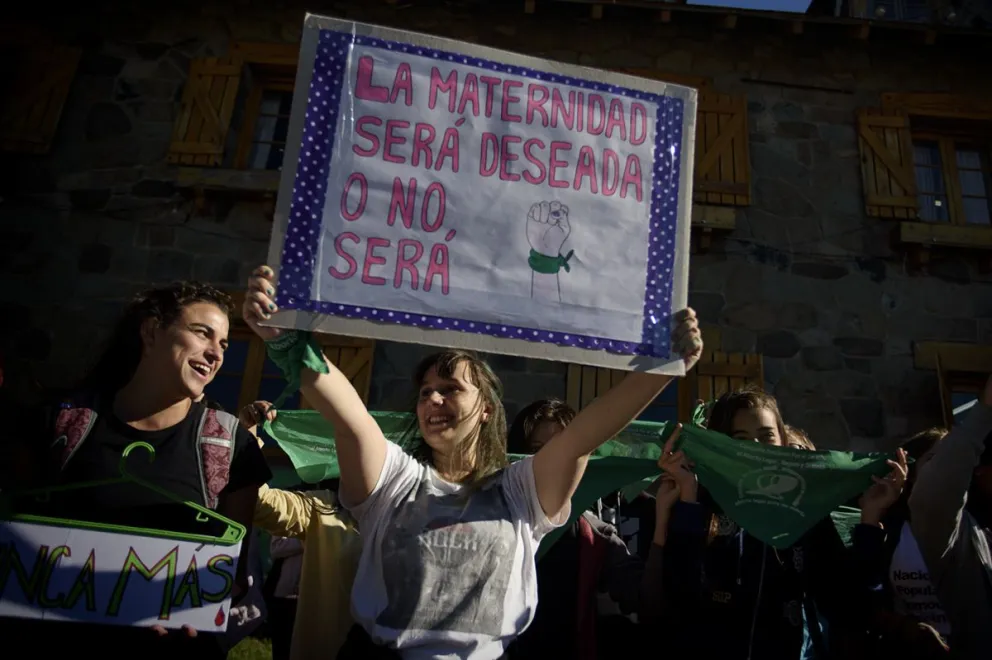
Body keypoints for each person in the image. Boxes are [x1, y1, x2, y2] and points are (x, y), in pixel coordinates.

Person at [243, 264, 702, 659]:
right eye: (425, 392)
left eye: (451, 388)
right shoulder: (394, 480)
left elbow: (583, 436)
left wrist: (664, 366)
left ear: (486, 409)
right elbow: (350, 419)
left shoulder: (521, 490)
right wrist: (286, 340)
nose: (433, 399)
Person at [0, 282, 272, 659]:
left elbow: (233, 575)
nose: (215, 353)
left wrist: (197, 611)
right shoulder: (60, 424)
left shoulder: (231, 447)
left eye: (224, 344)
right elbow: (14, 535)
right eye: (202, 333)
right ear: (150, 331)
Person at [642, 387, 865, 660]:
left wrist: (872, 522)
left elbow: (844, 599)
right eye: (741, 439)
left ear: (782, 441)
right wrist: (689, 498)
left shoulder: (802, 512)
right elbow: (678, 593)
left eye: (766, 436)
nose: (757, 448)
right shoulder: (696, 503)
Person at [504, 399, 642, 660]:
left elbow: (646, 599)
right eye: (536, 451)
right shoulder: (485, 521)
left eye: (562, 451)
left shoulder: (596, 537)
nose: (549, 463)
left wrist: (680, 509)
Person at [909, 376, 992, 659]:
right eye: (935, 459)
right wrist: (985, 410)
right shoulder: (931, 532)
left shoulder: (978, 529)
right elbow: (940, 487)